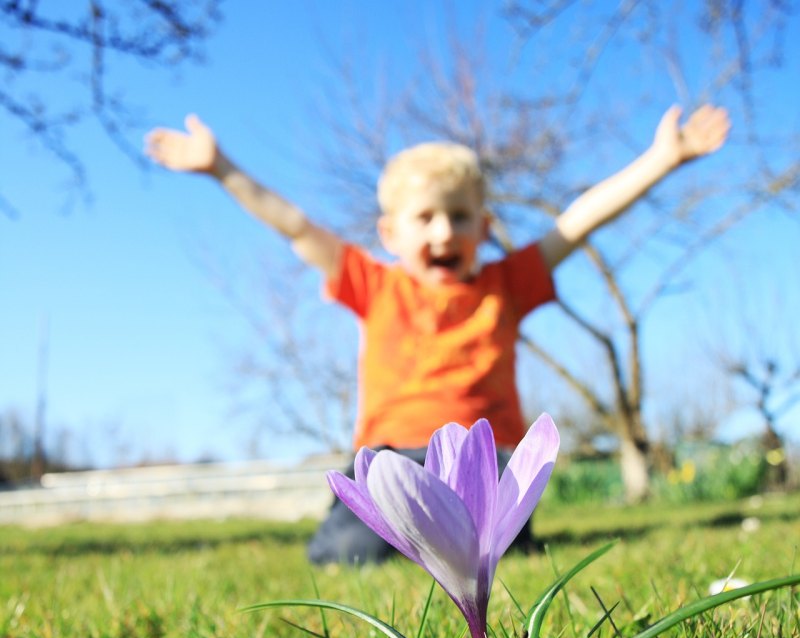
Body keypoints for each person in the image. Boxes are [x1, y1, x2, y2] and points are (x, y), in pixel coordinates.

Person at [145, 104, 730, 564]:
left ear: (485, 227)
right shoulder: (375, 287)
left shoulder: (507, 283)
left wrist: (663, 159)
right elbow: (295, 226)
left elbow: (579, 221)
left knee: (489, 554)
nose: (444, 230)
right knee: (352, 555)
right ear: (389, 233)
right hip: (393, 459)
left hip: (486, 464)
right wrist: (221, 168)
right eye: (424, 217)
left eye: (459, 215)